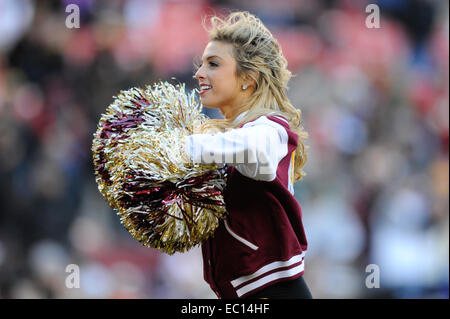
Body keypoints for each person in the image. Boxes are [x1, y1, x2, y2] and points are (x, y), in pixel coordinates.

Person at [184, 11, 312, 299]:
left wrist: (181, 147)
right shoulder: (228, 137)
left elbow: (256, 148)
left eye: (213, 64)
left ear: (248, 79)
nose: (199, 73)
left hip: (274, 293)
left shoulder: (271, 128)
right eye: (201, 64)